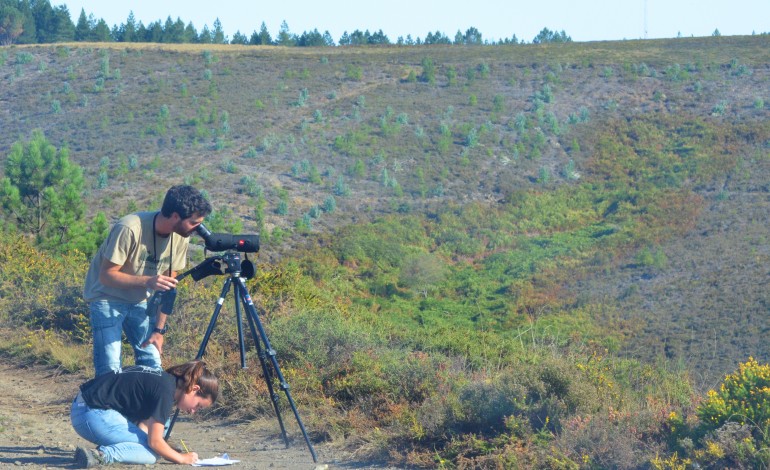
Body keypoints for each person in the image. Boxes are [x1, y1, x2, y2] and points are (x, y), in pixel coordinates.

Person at [83, 185, 212, 375]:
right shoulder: (129, 228)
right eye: (194, 223)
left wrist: (158, 331)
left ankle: (146, 404)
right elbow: (106, 275)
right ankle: (103, 404)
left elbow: (168, 288)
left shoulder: (181, 236)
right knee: (110, 366)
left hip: (142, 301)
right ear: (176, 216)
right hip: (106, 297)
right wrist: (147, 281)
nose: (198, 229)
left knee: (152, 363)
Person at [71, 360, 218, 467]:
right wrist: (181, 458)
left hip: (84, 407)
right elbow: (154, 442)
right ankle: (99, 456)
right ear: (194, 389)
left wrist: (166, 450)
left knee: (152, 448)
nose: (193, 411)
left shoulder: (165, 381)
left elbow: (143, 428)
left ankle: (102, 453)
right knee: (152, 453)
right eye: (198, 406)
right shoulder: (166, 393)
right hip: (91, 413)